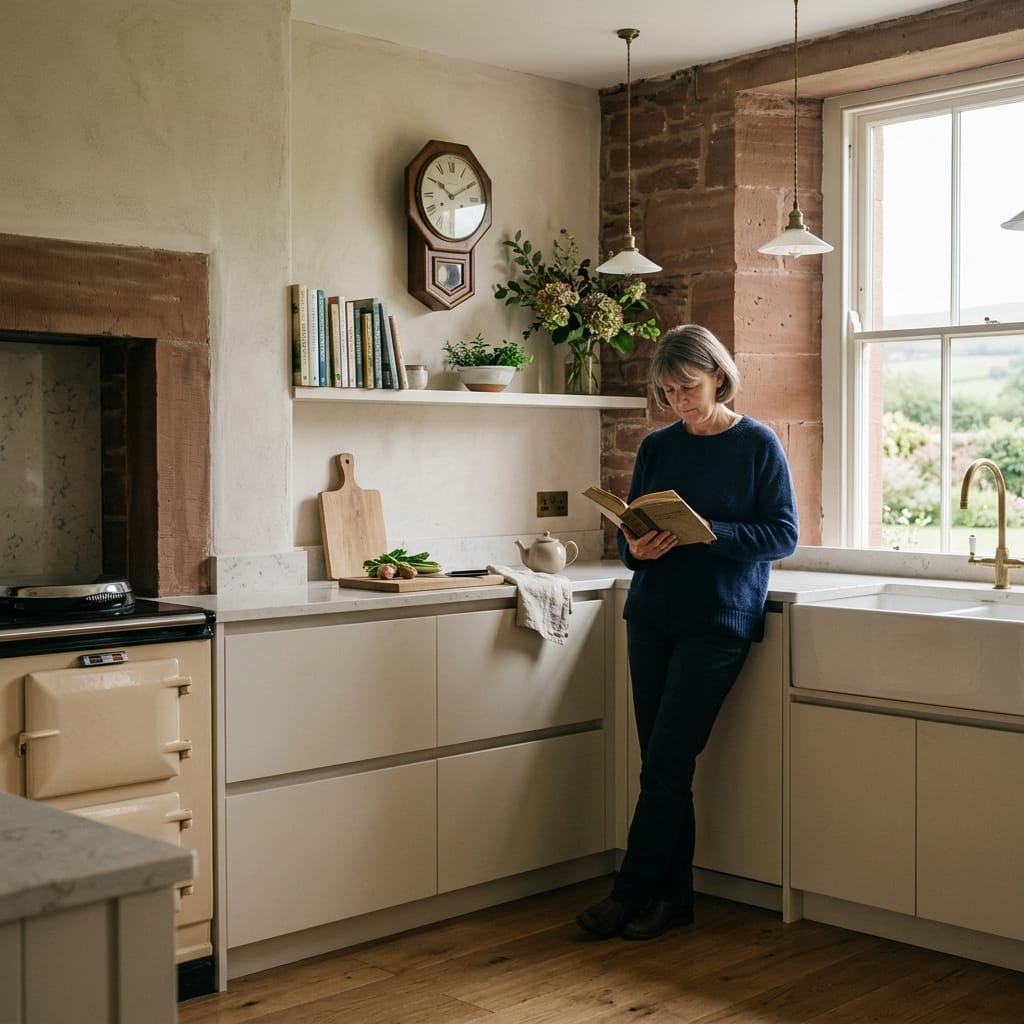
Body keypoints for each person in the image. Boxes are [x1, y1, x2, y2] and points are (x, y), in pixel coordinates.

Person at [576, 323, 799, 941]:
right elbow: (632, 538)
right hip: (652, 616)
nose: (678, 399)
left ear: (719, 377)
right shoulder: (658, 445)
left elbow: (782, 536)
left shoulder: (758, 445)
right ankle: (673, 900)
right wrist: (637, 549)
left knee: (668, 763)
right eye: (668, 390)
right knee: (660, 766)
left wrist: (711, 530)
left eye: (689, 386)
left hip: (717, 622)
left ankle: (630, 894)